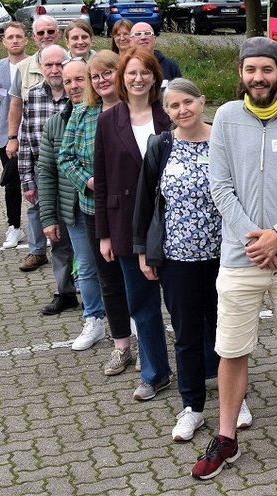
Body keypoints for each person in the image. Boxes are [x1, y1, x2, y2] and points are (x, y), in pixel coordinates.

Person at [191, 36, 277, 480]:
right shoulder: (227, 118)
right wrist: (256, 240)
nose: (258, 78)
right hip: (240, 256)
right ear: (241, 74)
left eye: (266, 70)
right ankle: (227, 436)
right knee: (231, 348)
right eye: (251, 70)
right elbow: (220, 187)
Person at [133, 78, 251, 442]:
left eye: (188, 102)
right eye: (174, 106)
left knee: (227, 333)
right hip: (177, 258)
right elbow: (145, 202)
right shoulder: (161, 146)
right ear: (166, 111)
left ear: (202, 102)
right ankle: (193, 407)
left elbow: (246, 191)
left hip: (226, 256)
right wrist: (143, 251)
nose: (182, 110)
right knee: (185, 334)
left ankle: (237, 400)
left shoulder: (225, 139)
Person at [94, 47, 173, 401]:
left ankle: (200, 368)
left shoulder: (170, 116)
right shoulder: (108, 121)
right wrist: (104, 235)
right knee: (141, 305)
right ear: (121, 80)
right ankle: (154, 373)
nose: (138, 79)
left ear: (156, 78)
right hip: (126, 225)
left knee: (185, 304)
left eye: (145, 73)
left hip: (173, 225)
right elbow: (103, 180)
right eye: (131, 73)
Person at [60, 51, 137, 370]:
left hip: (132, 210)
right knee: (109, 279)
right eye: (95, 75)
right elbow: (65, 157)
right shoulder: (82, 113)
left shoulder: (135, 109)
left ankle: (145, 341)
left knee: (138, 279)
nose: (102, 79)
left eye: (108, 72)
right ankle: (121, 345)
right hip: (94, 209)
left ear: (119, 74)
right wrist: (89, 181)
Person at [36, 60, 95, 322]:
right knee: (85, 266)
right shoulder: (55, 123)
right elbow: (46, 172)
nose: (73, 86)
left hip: (104, 206)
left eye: (79, 79)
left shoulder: (109, 114)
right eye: (68, 81)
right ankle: (92, 315)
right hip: (72, 210)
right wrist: (48, 218)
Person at [6, 15, 64, 265]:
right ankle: (38, 250)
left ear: (58, 33)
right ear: (33, 37)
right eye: (40, 33)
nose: (46, 35)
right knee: (35, 203)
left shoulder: (70, 66)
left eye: (51, 31)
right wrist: (12, 137)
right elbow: (16, 105)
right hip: (39, 152)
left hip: (67, 158)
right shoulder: (23, 69)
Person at [17, 45, 71, 275]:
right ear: (41, 68)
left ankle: (81, 279)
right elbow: (26, 139)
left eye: (60, 64)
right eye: (49, 65)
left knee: (76, 232)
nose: (55, 69)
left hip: (73, 174)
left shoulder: (80, 94)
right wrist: (27, 180)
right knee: (54, 232)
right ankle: (63, 289)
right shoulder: (33, 95)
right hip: (45, 173)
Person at [0, 21, 28, 249]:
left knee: (40, 184)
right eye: (10, 37)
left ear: (25, 39)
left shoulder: (37, 63)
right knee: (12, 183)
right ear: (4, 41)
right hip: (8, 137)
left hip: (33, 135)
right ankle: (14, 226)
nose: (14, 40)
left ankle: (47, 226)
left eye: (18, 36)